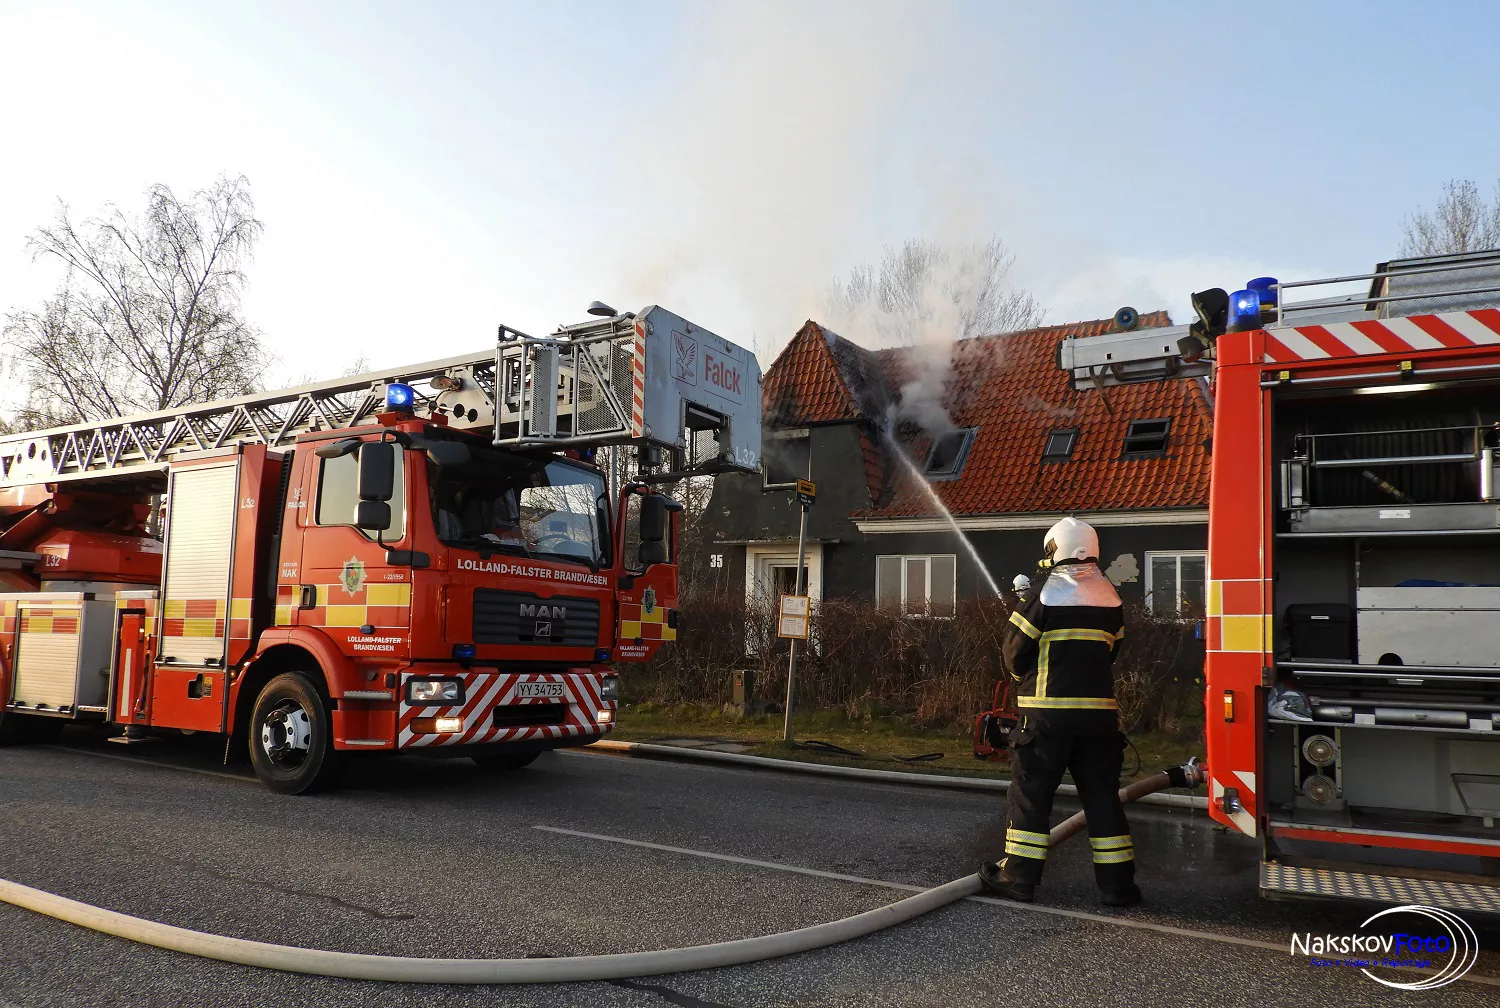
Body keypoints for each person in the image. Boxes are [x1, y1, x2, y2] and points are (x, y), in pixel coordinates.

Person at [979, 516, 1140, 907]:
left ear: (1055, 550)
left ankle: (1018, 877)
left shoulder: (1041, 598)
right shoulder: (1112, 602)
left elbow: (1014, 654)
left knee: (1032, 796)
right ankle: (1118, 887)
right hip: (1099, 722)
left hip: (1046, 720)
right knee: (1103, 800)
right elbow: (1112, 653)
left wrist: (1023, 680)